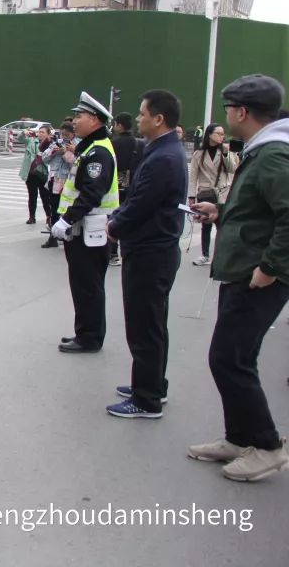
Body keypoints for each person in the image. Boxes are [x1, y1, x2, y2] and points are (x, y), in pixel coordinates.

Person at [190, 75, 289, 482]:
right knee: (236, 357)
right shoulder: (260, 150)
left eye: (229, 108)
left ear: (243, 112)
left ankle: (266, 445)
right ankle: (239, 436)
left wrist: (269, 268)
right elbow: (259, 211)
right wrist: (221, 213)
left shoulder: (272, 155)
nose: (226, 115)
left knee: (228, 359)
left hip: (257, 276)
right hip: (244, 270)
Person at [105, 90, 188, 418]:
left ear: (159, 118)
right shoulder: (164, 150)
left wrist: (115, 225)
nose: (137, 119)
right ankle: (152, 384)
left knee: (144, 326)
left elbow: (141, 203)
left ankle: (146, 398)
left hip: (150, 252)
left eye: (142, 114)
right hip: (156, 250)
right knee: (152, 324)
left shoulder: (164, 157)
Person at [51, 92, 119, 354]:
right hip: (83, 231)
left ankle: (90, 337)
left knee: (88, 286)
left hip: (90, 231)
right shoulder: (90, 147)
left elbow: (92, 193)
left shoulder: (99, 152)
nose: (74, 121)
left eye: (79, 117)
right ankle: (84, 332)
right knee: (82, 285)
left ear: (94, 120)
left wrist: (66, 219)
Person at [188, 123, 239, 267]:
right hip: (205, 192)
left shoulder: (226, 151)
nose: (222, 137)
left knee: (222, 224)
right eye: (219, 133)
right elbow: (193, 176)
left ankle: (220, 255)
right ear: (209, 134)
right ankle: (204, 254)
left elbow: (232, 168)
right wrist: (191, 196)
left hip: (222, 192)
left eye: (223, 134)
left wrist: (225, 153)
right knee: (206, 224)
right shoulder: (199, 153)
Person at [108, 112, 145, 266]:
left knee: (115, 215)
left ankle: (112, 252)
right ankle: (126, 250)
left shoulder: (113, 143)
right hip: (134, 183)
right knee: (130, 214)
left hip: (117, 182)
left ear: (120, 125)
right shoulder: (140, 143)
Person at [19, 128, 49, 225]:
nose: (40, 134)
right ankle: (32, 217)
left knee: (45, 197)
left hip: (43, 174)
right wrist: (24, 132)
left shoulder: (50, 144)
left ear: (48, 134)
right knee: (32, 196)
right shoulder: (31, 141)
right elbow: (20, 138)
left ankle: (49, 216)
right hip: (31, 173)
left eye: (43, 132)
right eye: (39, 132)